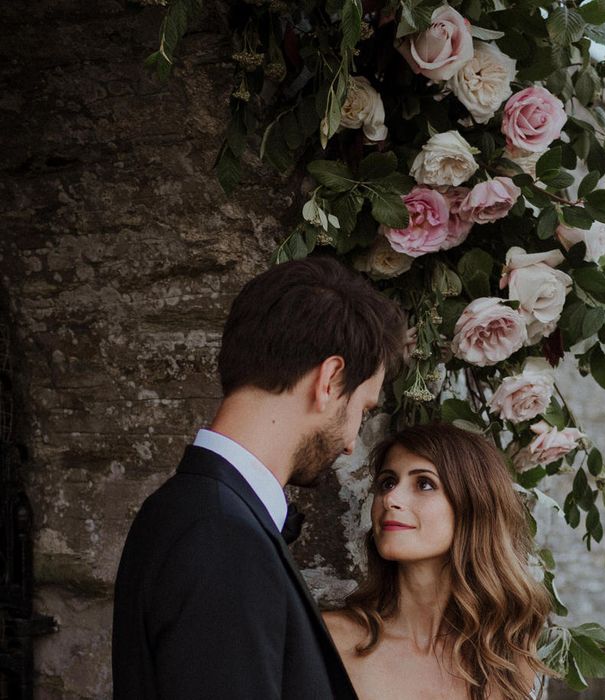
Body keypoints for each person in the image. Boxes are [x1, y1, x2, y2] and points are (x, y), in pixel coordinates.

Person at [112, 256, 405, 700]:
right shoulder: (222, 536)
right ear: (330, 379)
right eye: (361, 411)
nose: (350, 443)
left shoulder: (190, 510)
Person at [323, 423, 552, 700]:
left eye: (424, 484)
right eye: (387, 482)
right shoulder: (329, 640)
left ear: (473, 506)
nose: (390, 498)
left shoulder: (509, 663)